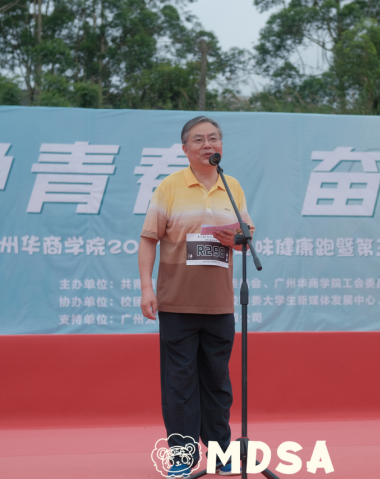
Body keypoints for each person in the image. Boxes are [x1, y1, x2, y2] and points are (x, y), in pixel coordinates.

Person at [138, 116, 254, 477]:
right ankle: (182, 458)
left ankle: (220, 455)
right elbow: (148, 239)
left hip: (219, 304)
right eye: (199, 140)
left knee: (218, 384)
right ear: (185, 148)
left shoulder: (232, 186)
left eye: (214, 139)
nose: (208, 145)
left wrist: (238, 239)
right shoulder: (170, 187)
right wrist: (146, 288)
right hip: (177, 302)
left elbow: (246, 237)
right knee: (180, 385)